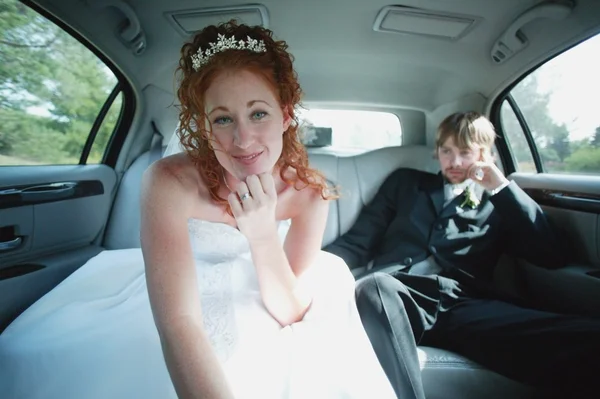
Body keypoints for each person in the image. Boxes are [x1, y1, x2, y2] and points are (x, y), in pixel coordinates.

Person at [0, 21, 397, 399]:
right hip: (172, 288)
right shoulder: (168, 181)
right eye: (223, 119)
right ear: (206, 129)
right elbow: (177, 322)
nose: (243, 139)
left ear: (286, 115)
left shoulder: (309, 194)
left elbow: (291, 310)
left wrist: (260, 234)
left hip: (265, 286)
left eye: (259, 113)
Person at [324, 111, 600, 399]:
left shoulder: (498, 201)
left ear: (485, 154)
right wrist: (300, 271)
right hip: (393, 298)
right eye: (446, 151)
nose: (454, 162)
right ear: (437, 151)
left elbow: (551, 255)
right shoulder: (406, 183)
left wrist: (500, 188)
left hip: (460, 303)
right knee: (375, 285)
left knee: (586, 336)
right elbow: (356, 244)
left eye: (465, 152)